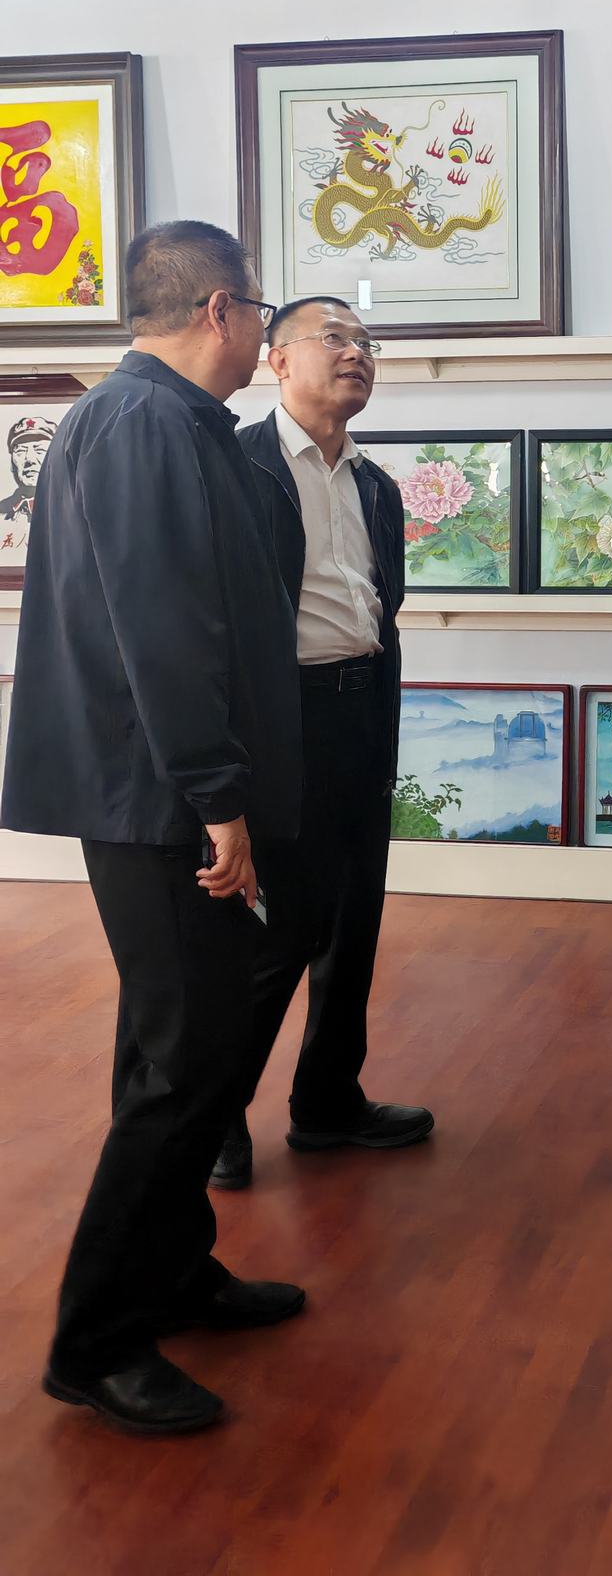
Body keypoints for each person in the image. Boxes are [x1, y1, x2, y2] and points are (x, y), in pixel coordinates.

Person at [2, 220, 304, 1435]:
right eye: (261, 309)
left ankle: (175, 1271)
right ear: (220, 308)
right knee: (184, 1067)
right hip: (161, 799)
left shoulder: (172, 421)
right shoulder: (139, 424)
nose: (264, 330)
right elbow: (166, 633)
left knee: (185, 1047)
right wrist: (219, 796)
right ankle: (98, 1340)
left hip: (171, 789)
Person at [210, 296, 431, 1190]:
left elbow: (384, 606)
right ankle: (214, 1116)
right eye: (334, 338)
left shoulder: (375, 484)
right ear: (276, 359)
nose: (356, 354)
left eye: (366, 342)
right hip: (280, 721)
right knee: (275, 931)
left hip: (360, 708)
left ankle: (329, 1100)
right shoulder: (237, 466)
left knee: (353, 919)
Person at [0, 412, 55, 549]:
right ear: (12, 462)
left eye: (40, 450)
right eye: (21, 451)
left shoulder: (74, 511)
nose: (29, 459)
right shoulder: (3, 511)